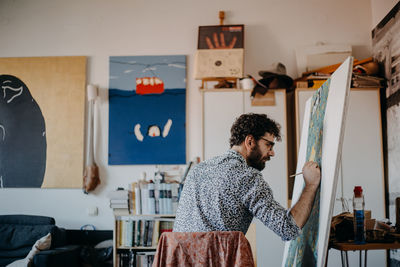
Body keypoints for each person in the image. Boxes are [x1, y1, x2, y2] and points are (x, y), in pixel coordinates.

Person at [173, 113, 321, 241]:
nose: (272, 153)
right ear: (250, 141)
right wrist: (311, 185)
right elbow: (288, 228)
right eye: (269, 145)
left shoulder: (198, 170)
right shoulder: (247, 177)